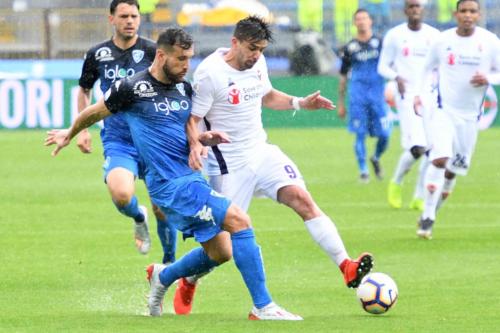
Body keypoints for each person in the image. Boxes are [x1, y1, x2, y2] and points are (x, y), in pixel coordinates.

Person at [45, 28, 301, 321]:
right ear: (162, 55)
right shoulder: (132, 88)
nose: (186, 65)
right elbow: (94, 111)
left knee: (221, 251)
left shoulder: (183, 88)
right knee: (240, 221)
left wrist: (201, 140)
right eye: (181, 59)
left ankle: (164, 275)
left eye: (190, 58)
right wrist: (70, 132)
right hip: (170, 185)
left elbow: (188, 126)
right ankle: (263, 306)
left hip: (190, 178)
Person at [174, 15, 374, 315]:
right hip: (228, 164)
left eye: (262, 49)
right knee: (221, 249)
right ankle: (187, 278)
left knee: (303, 200)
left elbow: (267, 96)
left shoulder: (258, 63)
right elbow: (192, 119)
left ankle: (346, 265)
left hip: (262, 151)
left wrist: (300, 103)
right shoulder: (209, 74)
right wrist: (196, 145)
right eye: (252, 48)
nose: (256, 55)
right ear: (235, 42)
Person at [76, 0, 177, 263]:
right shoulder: (97, 54)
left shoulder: (153, 51)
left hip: (153, 140)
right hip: (119, 139)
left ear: (140, 19)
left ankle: (168, 265)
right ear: (112, 19)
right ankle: (138, 216)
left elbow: (172, 89)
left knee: (163, 208)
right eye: (124, 16)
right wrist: (83, 130)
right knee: (122, 196)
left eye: (134, 16)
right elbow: (85, 90)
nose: (130, 21)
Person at [413, 0, 500, 239]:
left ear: (479, 15)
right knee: (440, 159)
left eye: (472, 11)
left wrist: (489, 77)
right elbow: (425, 68)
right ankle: (428, 215)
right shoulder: (443, 41)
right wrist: (419, 95)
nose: (468, 15)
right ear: (456, 14)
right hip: (443, 110)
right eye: (463, 11)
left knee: (453, 171)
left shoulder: (490, 42)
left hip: (470, 117)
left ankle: (433, 209)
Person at [377, 0, 440, 211]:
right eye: (411, 6)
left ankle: (419, 196)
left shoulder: (434, 36)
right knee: (417, 148)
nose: (415, 10)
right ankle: (396, 181)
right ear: (405, 10)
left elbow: (440, 66)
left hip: (430, 95)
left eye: (418, 6)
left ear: (422, 10)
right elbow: (383, 67)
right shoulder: (395, 35)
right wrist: (397, 77)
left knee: (432, 149)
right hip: (407, 96)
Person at [337, 9, 391, 183]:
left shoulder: (380, 43)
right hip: (358, 96)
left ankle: (375, 157)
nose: (361, 22)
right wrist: (341, 102)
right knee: (359, 134)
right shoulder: (349, 48)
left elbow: (391, 66)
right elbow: (343, 76)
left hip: (377, 95)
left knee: (385, 134)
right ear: (354, 23)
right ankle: (363, 171)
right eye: (358, 19)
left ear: (370, 22)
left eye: (364, 18)